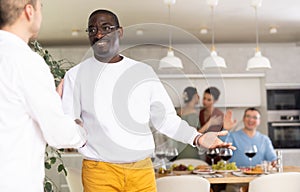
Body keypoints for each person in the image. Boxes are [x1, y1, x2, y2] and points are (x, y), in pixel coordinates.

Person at [60, 9, 235, 192]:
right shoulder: (75, 75)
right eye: (92, 30)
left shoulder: (143, 72)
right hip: (99, 171)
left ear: (119, 32)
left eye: (106, 27)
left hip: (141, 171)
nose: (99, 34)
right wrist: (77, 136)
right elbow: (69, 123)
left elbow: (165, 118)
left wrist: (197, 138)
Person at [0, 1, 87, 192]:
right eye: (41, 6)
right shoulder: (26, 62)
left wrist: (51, 104)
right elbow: (58, 133)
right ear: (29, 11)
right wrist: (81, 131)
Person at [225, 107, 277, 192]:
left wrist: (274, 162)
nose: (251, 120)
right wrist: (225, 130)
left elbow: (273, 159)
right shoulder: (233, 136)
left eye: (255, 117)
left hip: (259, 181)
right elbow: (222, 148)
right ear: (243, 119)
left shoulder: (264, 139)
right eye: (248, 116)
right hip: (236, 180)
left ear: (259, 121)